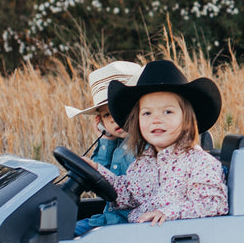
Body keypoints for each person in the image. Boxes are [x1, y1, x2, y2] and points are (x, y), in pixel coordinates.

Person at [94, 59, 228, 225]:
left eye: (168, 111)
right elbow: (128, 195)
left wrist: (166, 213)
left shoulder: (199, 163)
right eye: (147, 113)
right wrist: (96, 171)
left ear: (186, 119)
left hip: (169, 241)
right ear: (137, 121)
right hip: (138, 238)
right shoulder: (143, 163)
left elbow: (212, 204)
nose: (156, 120)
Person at [65, 61, 144, 236]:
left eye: (119, 112)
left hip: (125, 228)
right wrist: (106, 139)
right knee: (61, 232)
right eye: (107, 115)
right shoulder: (113, 145)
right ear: (100, 121)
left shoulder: (145, 147)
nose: (114, 120)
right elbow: (97, 178)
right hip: (104, 220)